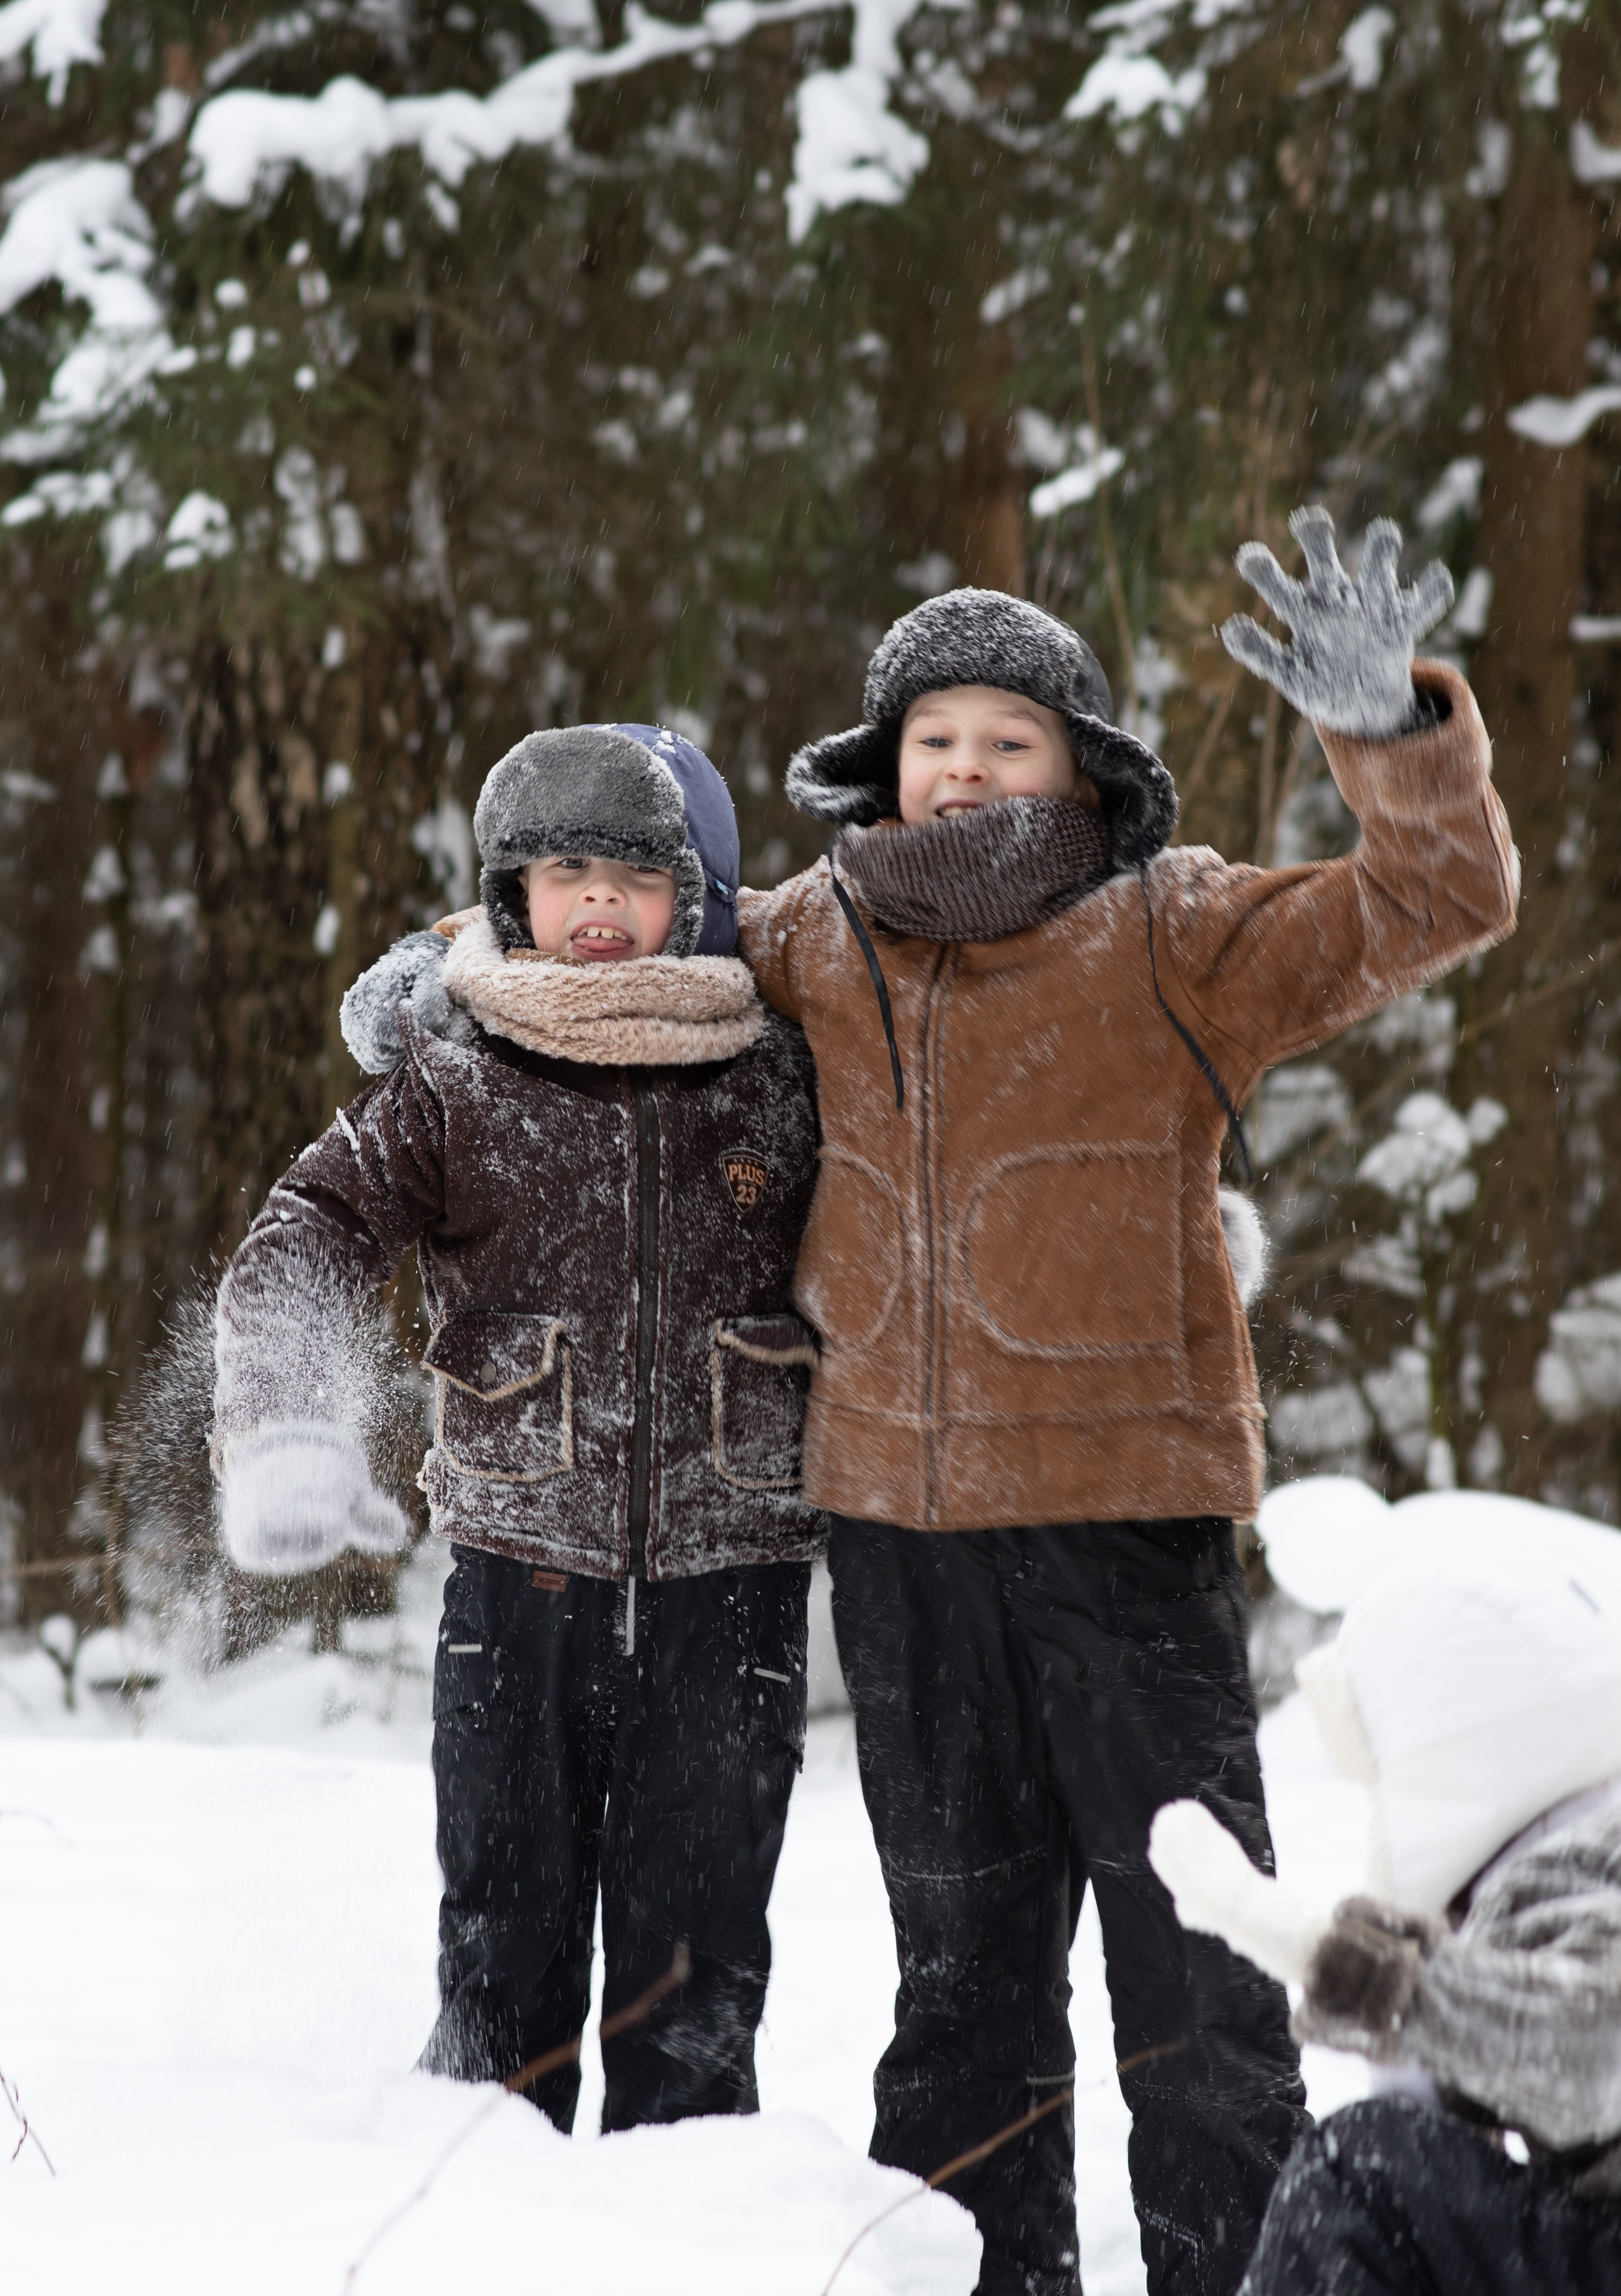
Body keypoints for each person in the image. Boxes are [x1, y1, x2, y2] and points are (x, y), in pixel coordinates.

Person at [346, 509, 1518, 2293]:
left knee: (1197, 1977)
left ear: (1082, 767)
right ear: (885, 770)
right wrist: (450, 969)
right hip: (897, 1543)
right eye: (935, 742)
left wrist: (1399, 741)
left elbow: (1433, 902)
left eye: (1009, 742)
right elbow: (628, 954)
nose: (966, 771)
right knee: (962, 1988)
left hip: (1131, 1538)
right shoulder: (816, 941)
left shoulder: (1174, 931)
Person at [212, 722, 824, 2136]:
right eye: (559, 870)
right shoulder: (459, 1077)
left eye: (634, 869)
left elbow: (913, 1221)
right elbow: (308, 1229)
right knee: (501, 1962)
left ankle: (683, 2229)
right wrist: (291, 1418)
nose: (595, 901)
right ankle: (483, 2225)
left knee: (700, 1979)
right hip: (514, 1584)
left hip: (729, 1592)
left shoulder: (782, 1075)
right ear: (507, 896)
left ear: (704, 889)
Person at [1149, 1546, 1621, 2296]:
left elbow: (1594, 2053)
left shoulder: (1596, 1861)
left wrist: (1322, 1951)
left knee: (1358, 2170)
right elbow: (1455, 2113)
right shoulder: (1557, 1859)